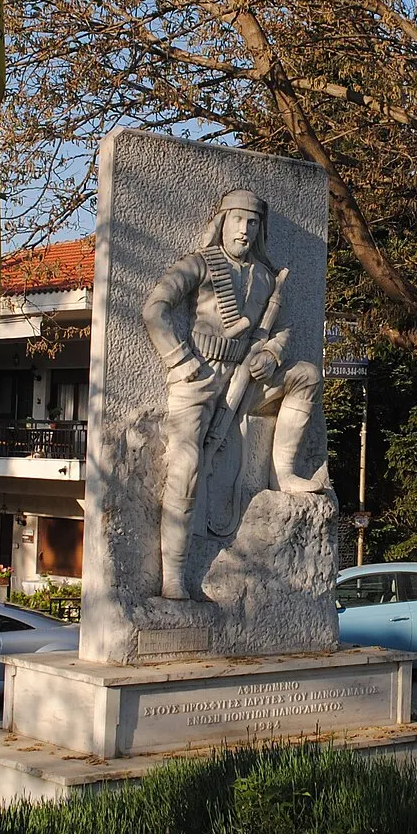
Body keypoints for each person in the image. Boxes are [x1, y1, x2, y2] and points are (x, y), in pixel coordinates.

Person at [143, 188, 326, 600]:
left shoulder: (264, 275)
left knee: (307, 376)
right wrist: (179, 360)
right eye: (237, 220)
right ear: (222, 222)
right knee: (188, 465)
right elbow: (155, 308)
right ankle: (173, 575)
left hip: (245, 376)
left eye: (253, 222)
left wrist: (270, 353)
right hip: (198, 379)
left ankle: (284, 472)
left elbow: (281, 328)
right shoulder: (199, 265)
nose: (244, 230)